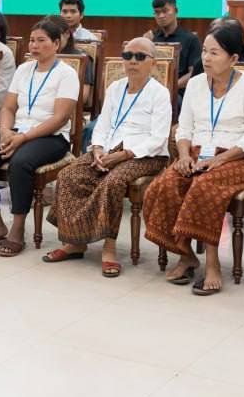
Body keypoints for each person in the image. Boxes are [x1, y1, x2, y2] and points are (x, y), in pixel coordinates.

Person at [143, 22, 244, 295]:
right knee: (163, 186)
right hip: (197, 154)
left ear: (233, 58)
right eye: (205, 51)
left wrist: (219, 160)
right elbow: (184, 128)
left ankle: (212, 264)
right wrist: (184, 156)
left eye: (214, 53)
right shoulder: (196, 84)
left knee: (204, 186)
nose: (206, 58)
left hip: (238, 158)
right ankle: (186, 255)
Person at [44, 36, 172, 276]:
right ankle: (74, 242)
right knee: (69, 175)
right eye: (128, 56)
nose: (132, 61)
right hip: (110, 148)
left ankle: (109, 248)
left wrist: (124, 155)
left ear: (153, 62)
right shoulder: (116, 87)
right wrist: (98, 149)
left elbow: (158, 138)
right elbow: (102, 123)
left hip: (145, 154)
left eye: (140, 57)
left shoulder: (159, 93)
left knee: (112, 182)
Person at [0, 17, 79, 257]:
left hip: (50, 136)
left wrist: (24, 138)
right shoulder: (23, 69)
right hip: (17, 131)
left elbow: (60, 118)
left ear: (56, 44)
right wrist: (6, 131)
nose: (34, 45)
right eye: (32, 40)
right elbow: (8, 107)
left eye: (41, 40)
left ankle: (17, 229)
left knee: (20, 164)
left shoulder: (66, 74)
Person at [144, 0, 201, 92]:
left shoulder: (191, 39)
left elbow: (194, 74)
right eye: (157, 12)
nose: (161, 16)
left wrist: (170, 87)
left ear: (176, 10)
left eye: (165, 11)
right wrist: (144, 44)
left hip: (178, 93)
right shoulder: (150, 38)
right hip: (151, 91)